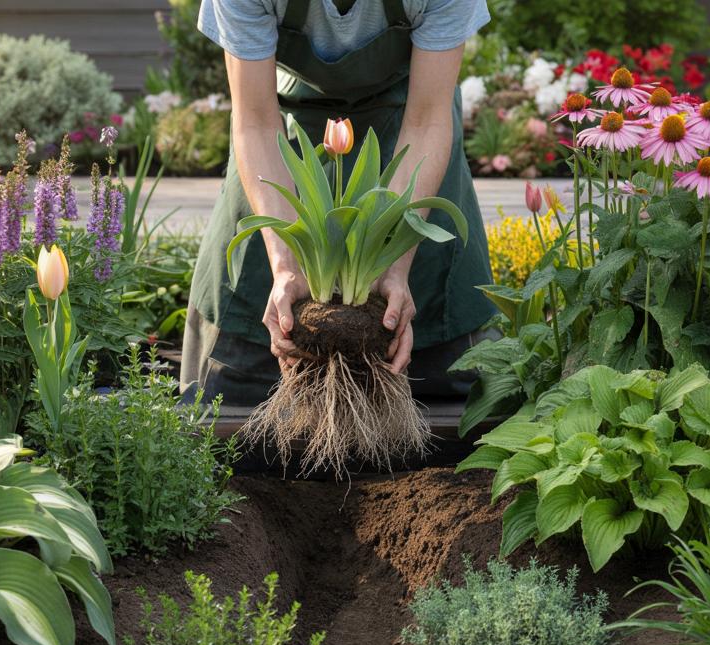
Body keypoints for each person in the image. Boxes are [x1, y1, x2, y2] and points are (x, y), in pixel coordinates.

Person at [181, 0, 496, 406]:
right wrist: (285, 266)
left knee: (452, 392)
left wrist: (394, 268)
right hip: (285, 149)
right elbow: (255, 121)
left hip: (408, 141)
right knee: (232, 392)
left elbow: (427, 121)